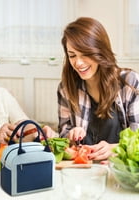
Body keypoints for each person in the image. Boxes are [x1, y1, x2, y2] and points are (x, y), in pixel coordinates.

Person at [57, 17, 139, 161]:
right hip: (83, 170)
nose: (78, 63)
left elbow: (137, 139)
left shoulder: (130, 83)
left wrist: (115, 148)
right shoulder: (66, 88)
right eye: (72, 55)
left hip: (119, 170)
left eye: (85, 54)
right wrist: (71, 136)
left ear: (99, 51)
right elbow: (64, 137)